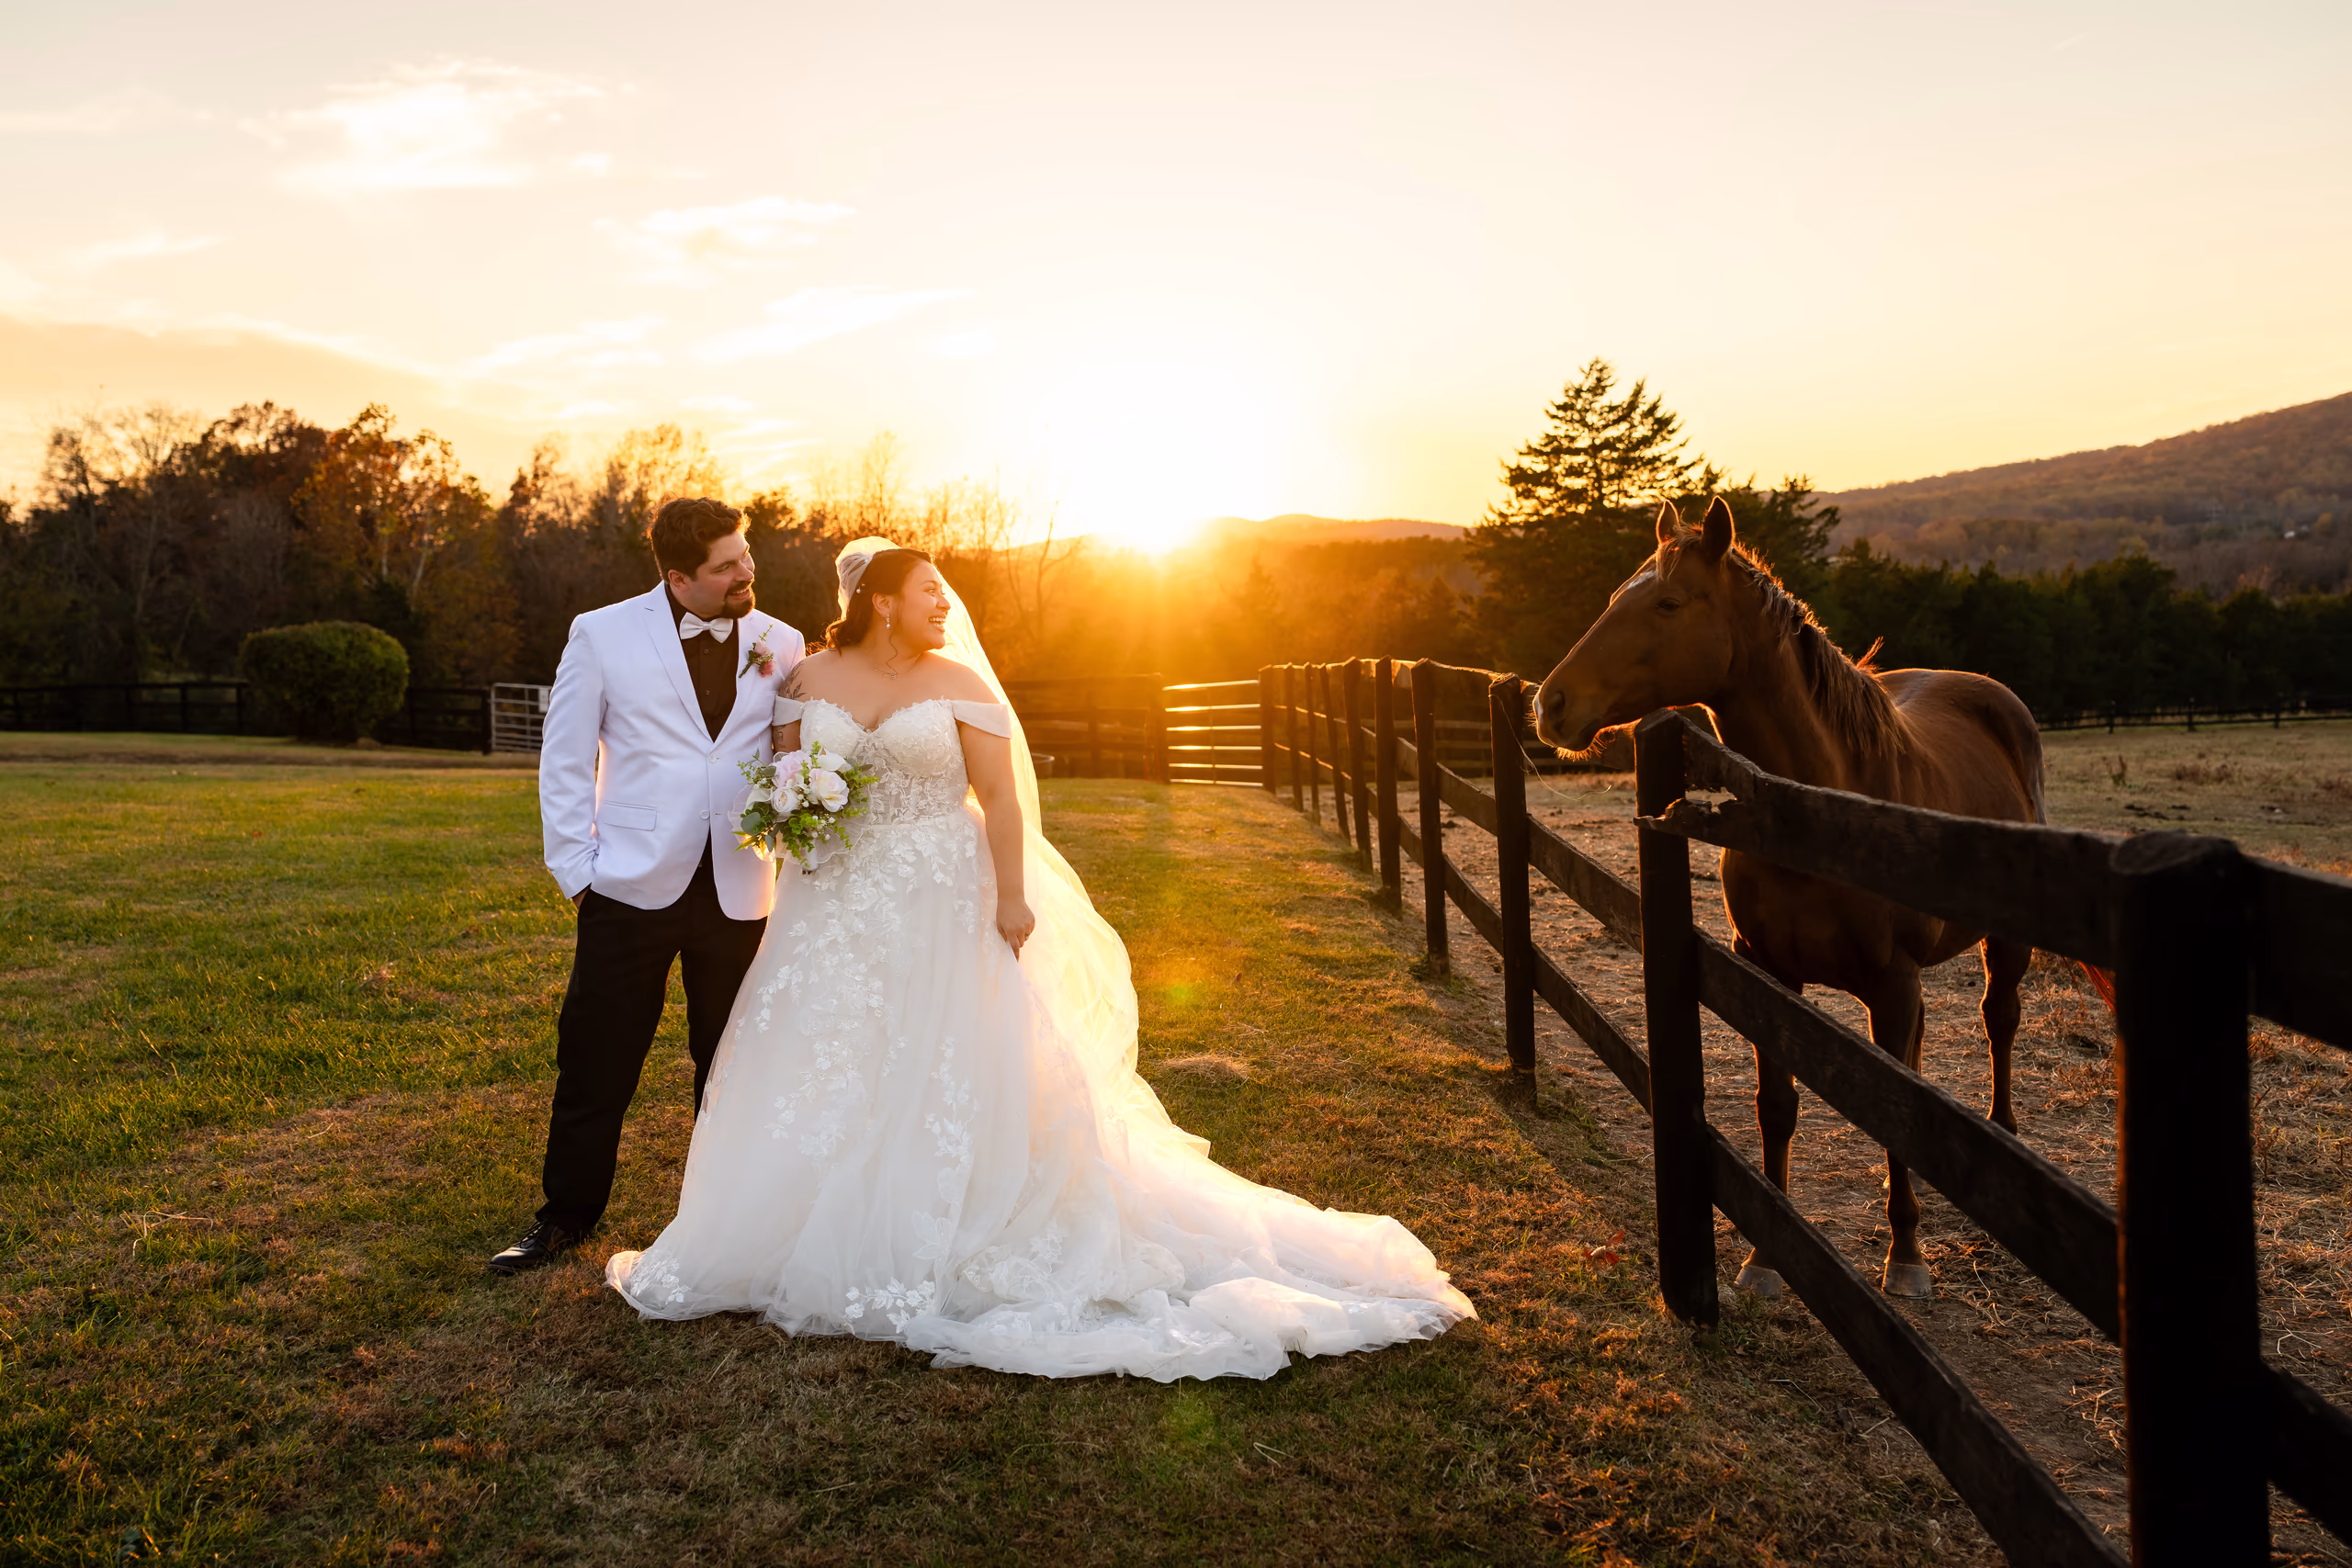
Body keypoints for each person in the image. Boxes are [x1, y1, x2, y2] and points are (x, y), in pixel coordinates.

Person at [604, 537, 1473, 1379]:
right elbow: (786, 777)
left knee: (950, 1050)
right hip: (836, 899)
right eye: (929, 591)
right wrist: (800, 819)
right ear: (880, 602)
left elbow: (1002, 801)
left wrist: (1013, 895)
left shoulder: (959, 683)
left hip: (948, 888)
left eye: (945, 593)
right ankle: (794, 1221)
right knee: (830, 1048)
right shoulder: (805, 679)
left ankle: (961, 1216)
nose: (944, 605)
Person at [490, 497, 806, 1275]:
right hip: (627, 886)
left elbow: (788, 747)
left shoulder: (780, 640)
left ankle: (726, 1221)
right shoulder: (601, 633)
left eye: (746, 555)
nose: (746, 572)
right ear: (677, 577)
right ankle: (565, 1215)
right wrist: (578, 876)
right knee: (598, 1057)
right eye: (727, 566)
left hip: (741, 883)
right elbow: (563, 759)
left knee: (730, 1061)